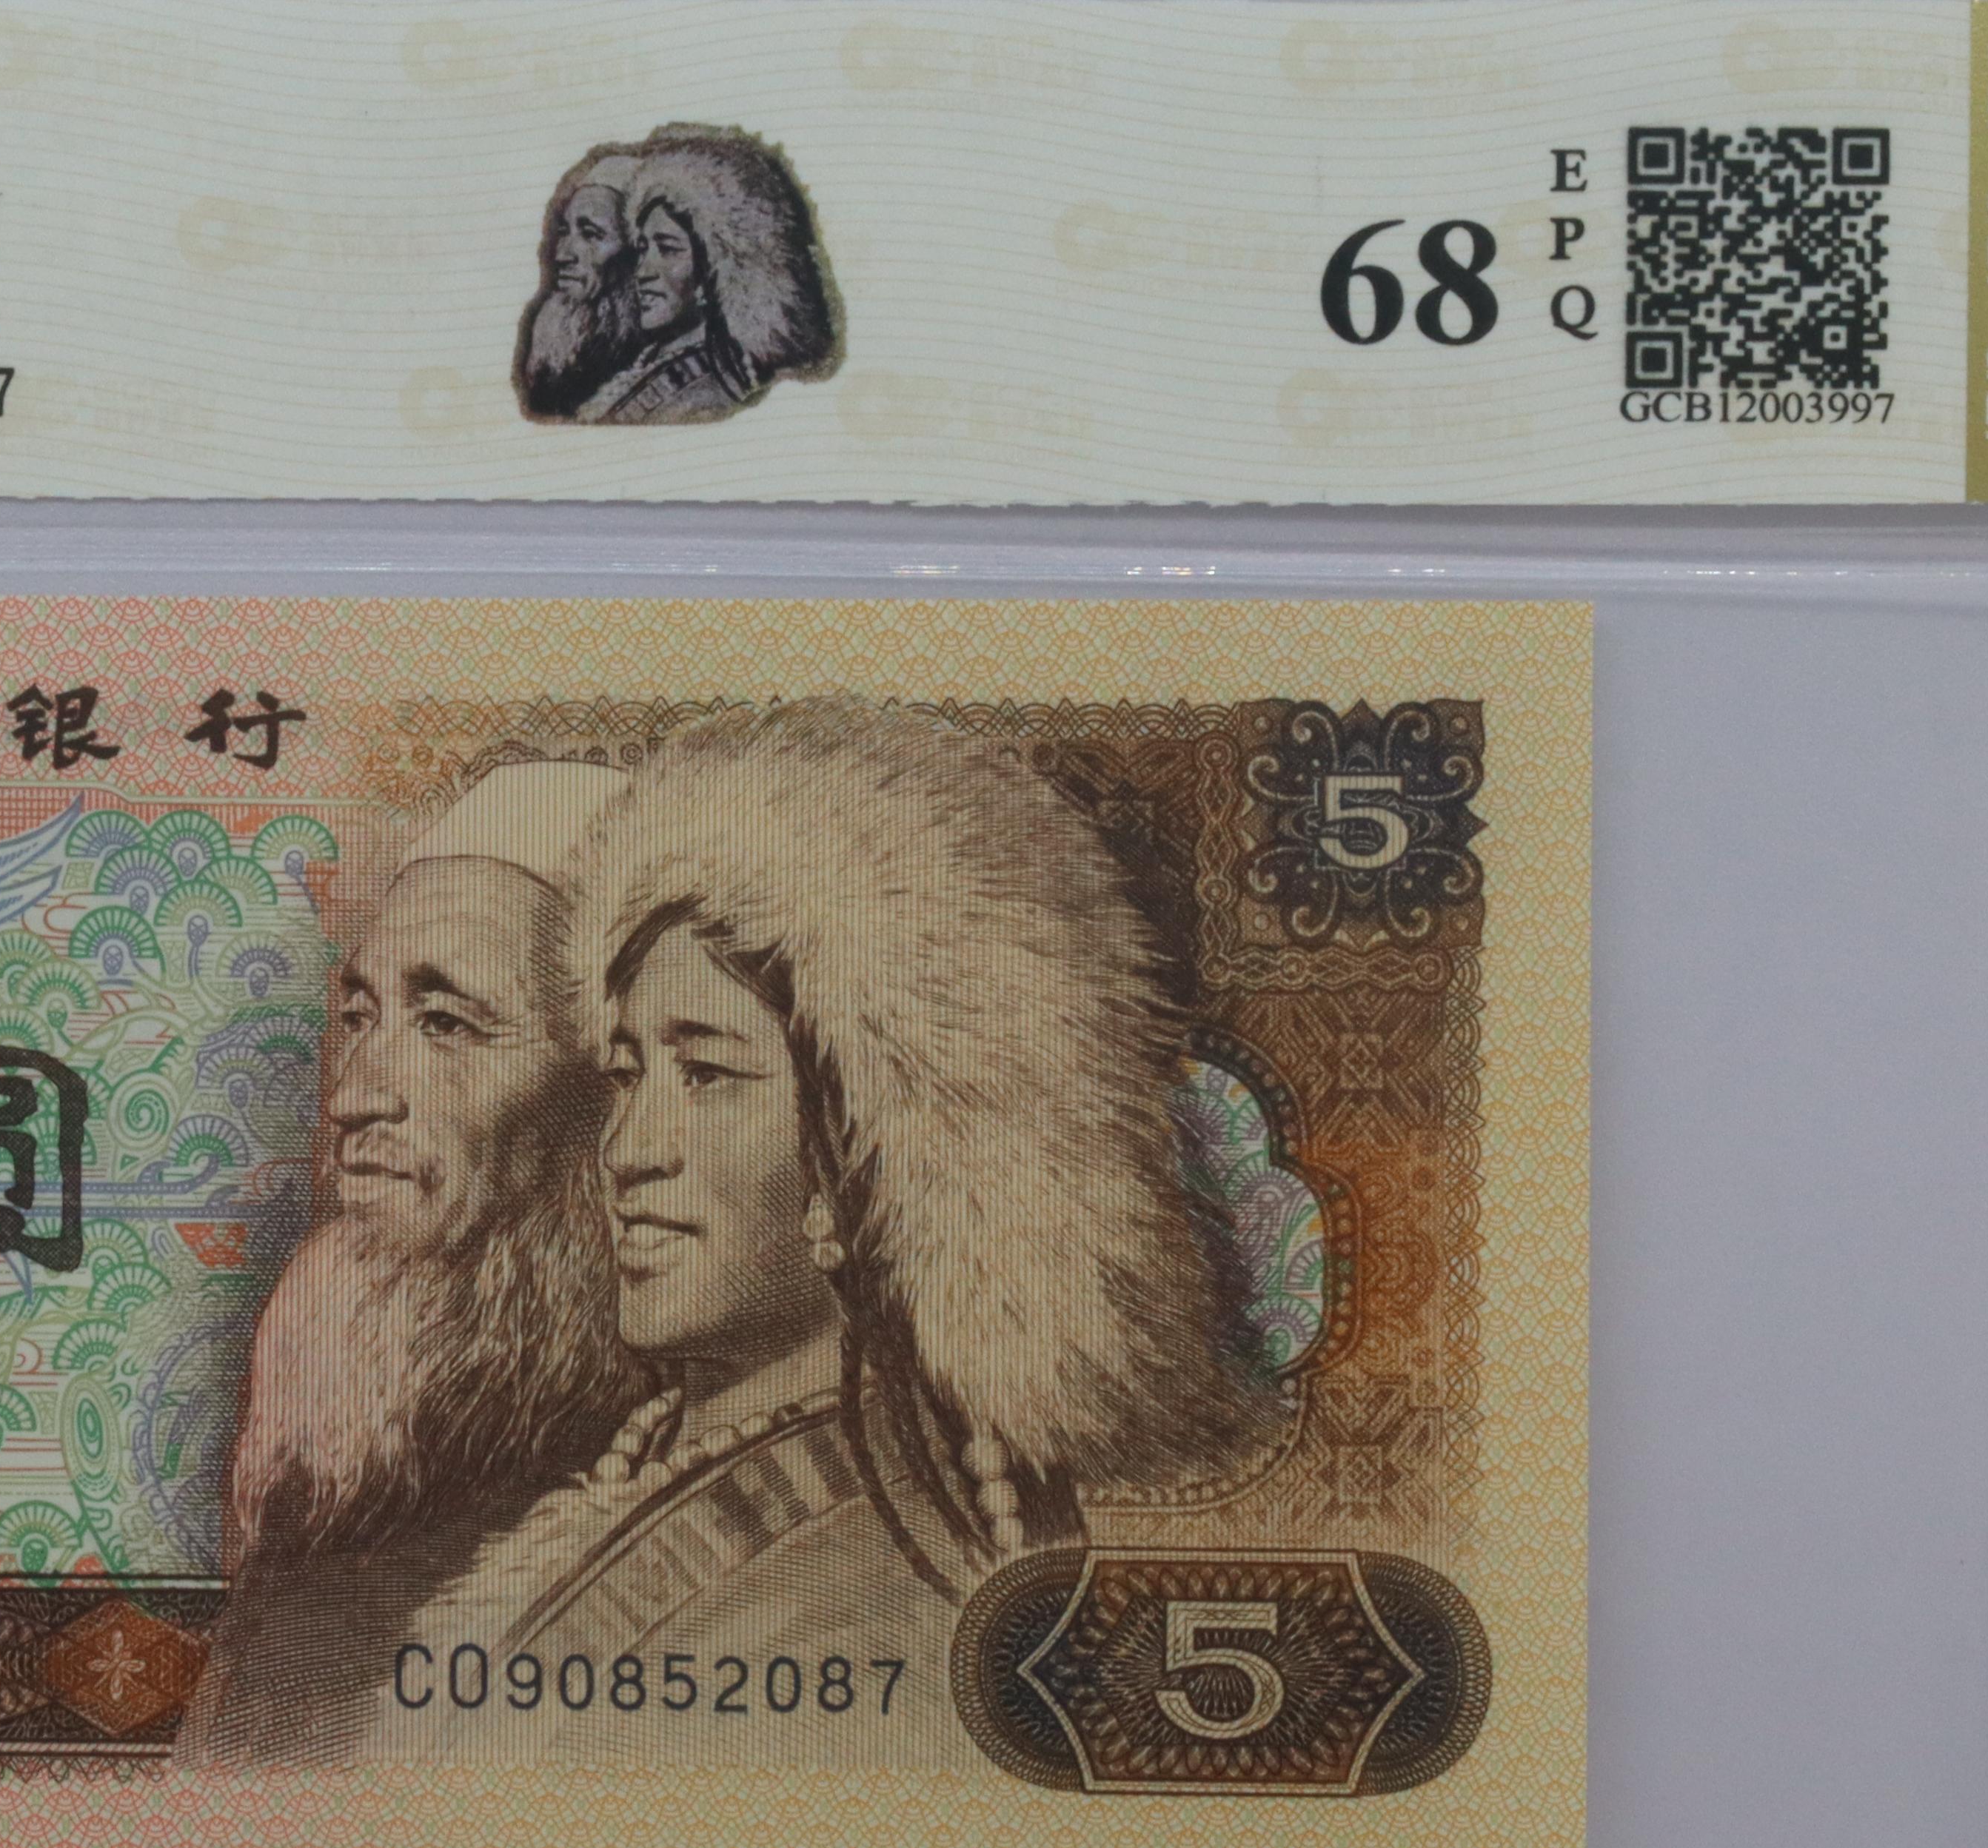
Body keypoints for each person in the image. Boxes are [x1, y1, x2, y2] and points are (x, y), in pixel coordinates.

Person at [363, 700, 1262, 1765]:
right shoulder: (679, 1463)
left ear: (864, 1151)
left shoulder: (871, 1587)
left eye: (707, 1074)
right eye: (627, 1074)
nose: (628, 1149)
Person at [178, 760, 640, 1764]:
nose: (354, 1097)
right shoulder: (338, 1466)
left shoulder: (635, 1500)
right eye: (359, 1017)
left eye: (445, 1023)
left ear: (607, 1096)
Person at [570, 128, 840, 426]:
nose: (643, 272)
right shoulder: (659, 363)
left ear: (713, 268)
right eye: (643, 250)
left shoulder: (705, 394)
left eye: (668, 249)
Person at [512, 148, 643, 421]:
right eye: (564, 231)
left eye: (591, 234)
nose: (562, 255)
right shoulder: (552, 338)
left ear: (635, 252)